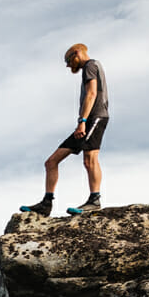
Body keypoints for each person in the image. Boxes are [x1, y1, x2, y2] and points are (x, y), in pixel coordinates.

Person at [20, 43, 108, 216]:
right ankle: (46, 203)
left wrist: (82, 121)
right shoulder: (93, 66)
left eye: (68, 61)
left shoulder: (90, 65)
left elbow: (91, 94)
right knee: (51, 162)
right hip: (91, 119)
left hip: (94, 118)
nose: (69, 66)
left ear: (77, 53)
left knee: (90, 159)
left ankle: (94, 200)